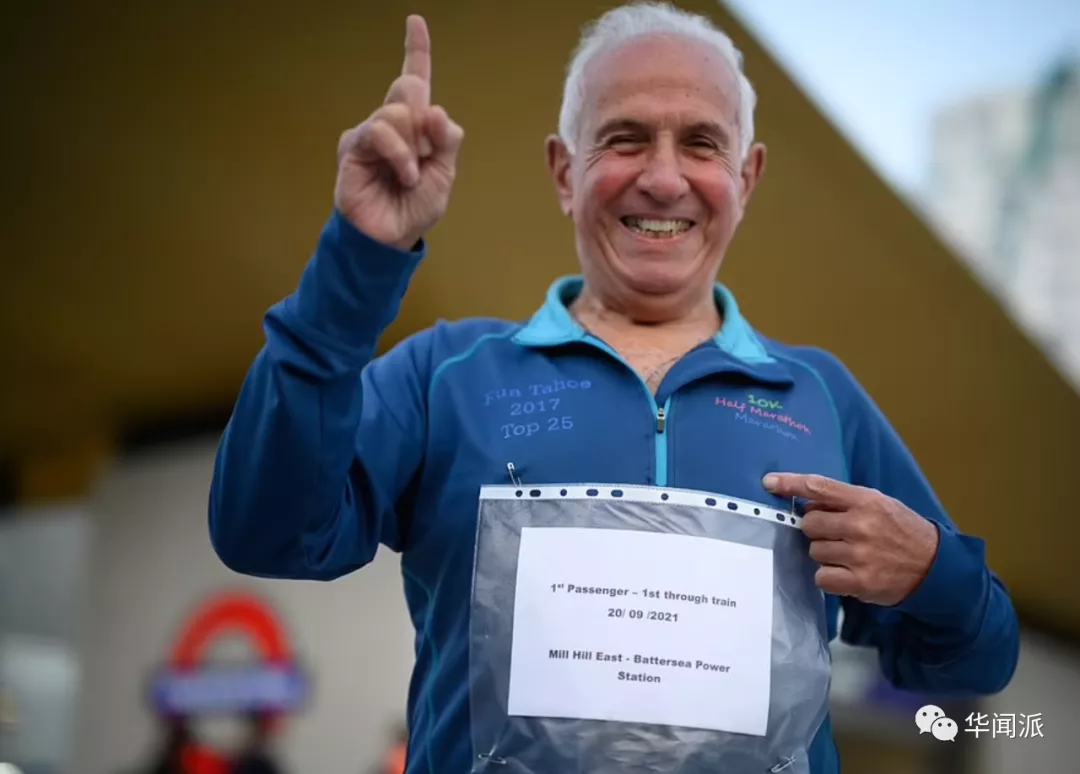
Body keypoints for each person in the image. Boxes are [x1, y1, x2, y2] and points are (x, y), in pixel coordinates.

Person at [208, 3, 1020, 772]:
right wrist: (358, 260)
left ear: (747, 177)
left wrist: (933, 570)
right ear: (565, 171)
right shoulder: (447, 374)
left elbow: (979, 660)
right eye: (625, 139)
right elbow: (265, 532)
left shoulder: (821, 398)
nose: (663, 179)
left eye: (701, 143)